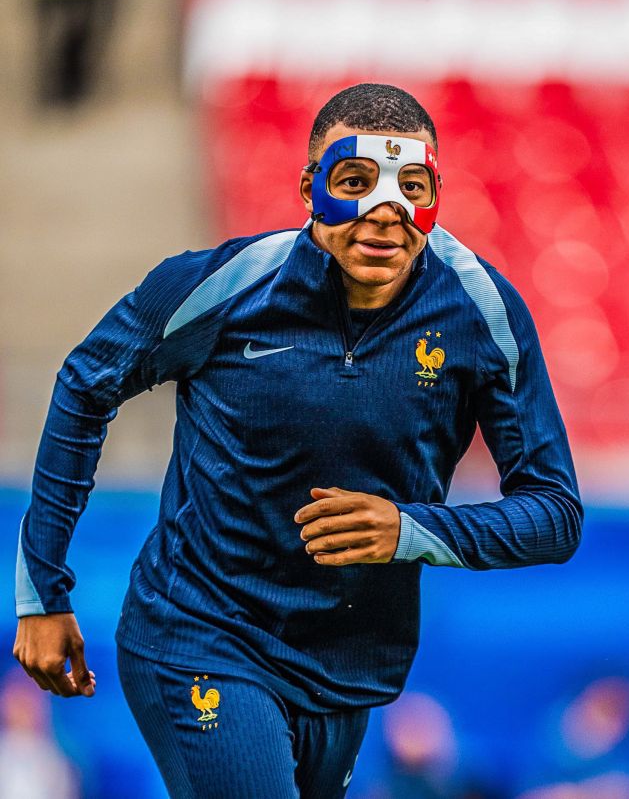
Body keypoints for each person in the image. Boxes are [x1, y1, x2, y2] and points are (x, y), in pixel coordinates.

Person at [13, 83, 583, 798]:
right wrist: (41, 592)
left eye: (411, 187)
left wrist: (410, 531)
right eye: (356, 182)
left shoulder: (482, 312)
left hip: (344, 671)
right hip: (200, 633)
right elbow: (84, 383)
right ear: (309, 188)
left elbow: (555, 513)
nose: (385, 211)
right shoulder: (223, 285)